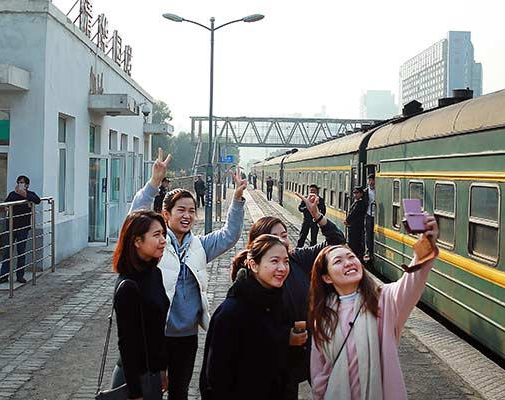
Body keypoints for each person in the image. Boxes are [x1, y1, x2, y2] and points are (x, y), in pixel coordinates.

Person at [129, 148, 247, 400]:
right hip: (155, 335)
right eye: (181, 210)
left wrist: (237, 199)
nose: (187, 215)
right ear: (166, 214)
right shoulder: (155, 244)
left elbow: (229, 235)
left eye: (192, 210)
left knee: (179, 392)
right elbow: (135, 219)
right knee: (151, 393)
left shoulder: (199, 246)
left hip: (187, 335)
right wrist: (154, 183)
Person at [308, 217, 440, 400]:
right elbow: (319, 372)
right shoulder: (323, 317)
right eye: (338, 261)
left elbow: (412, 281)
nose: (348, 262)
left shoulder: (383, 301)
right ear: (327, 278)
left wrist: (427, 242)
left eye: (351, 257)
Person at [242, 192, 345, 400]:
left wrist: (317, 216)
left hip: (309, 351)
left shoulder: (298, 259)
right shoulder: (251, 278)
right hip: (276, 358)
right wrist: (284, 336)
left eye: (285, 235)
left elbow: (337, 242)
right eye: (276, 236)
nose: (283, 241)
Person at [200, 234, 292, 400]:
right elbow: (216, 376)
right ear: (253, 265)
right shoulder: (231, 312)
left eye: (286, 261)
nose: (283, 268)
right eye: (274, 261)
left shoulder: (278, 301)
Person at [111, 210, 170, 400]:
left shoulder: (154, 273)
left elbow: (158, 330)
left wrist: (161, 369)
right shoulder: (128, 285)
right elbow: (127, 344)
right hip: (132, 379)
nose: (163, 240)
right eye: (156, 235)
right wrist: (135, 393)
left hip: (152, 375)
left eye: (163, 234)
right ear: (137, 241)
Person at [0, 175, 41, 284]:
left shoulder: (30, 194)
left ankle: (20, 275)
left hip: (23, 227)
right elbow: (6, 204)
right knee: (7, 252)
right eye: (19, 182)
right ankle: (4, 276)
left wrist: (24, 195)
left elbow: (37, 200)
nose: (20, 184)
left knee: (21, 252)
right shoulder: (12, 194)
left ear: (27, 185)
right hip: (11, 226)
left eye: (22, 183)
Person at [344, 186, 367, 258]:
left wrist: (347, 220)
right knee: (352, 242)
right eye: (354, 193)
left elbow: (353, 213)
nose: (355, 195)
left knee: (354, 243)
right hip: (354, 225)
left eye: (357, 193)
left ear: (361, 194)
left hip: (356, 226)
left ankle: (355, 256)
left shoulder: (360, 203)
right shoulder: (357, 202)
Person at [364, 174, 376, 261]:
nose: (371, 182)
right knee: (369, 234)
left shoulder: (378, 190)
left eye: (373, 180)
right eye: (370, 180)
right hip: (369, 214)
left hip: (376, 215)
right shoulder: (365, 192)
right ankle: (369, 251)